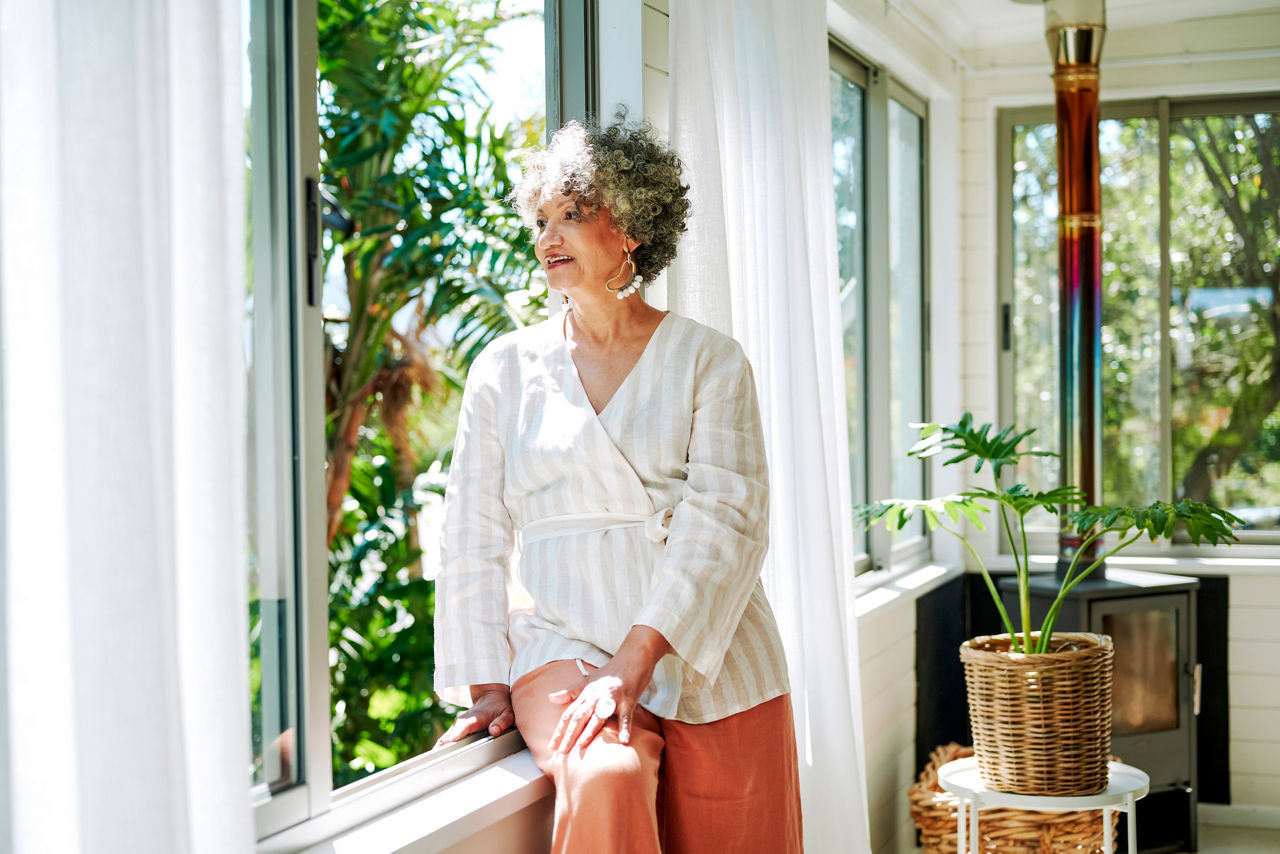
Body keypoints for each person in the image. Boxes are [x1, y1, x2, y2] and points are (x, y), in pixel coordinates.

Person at [432, 112, 802, 853]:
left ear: (630, 226)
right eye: (540, 219)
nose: (549, 236)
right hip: (565, 644)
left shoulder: (710, 360)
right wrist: (485, 686)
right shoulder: (504, 371)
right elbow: (470, 532)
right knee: (605, 779)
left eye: (573, 214)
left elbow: (727, 521)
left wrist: (634, 665)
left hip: (715, 656)